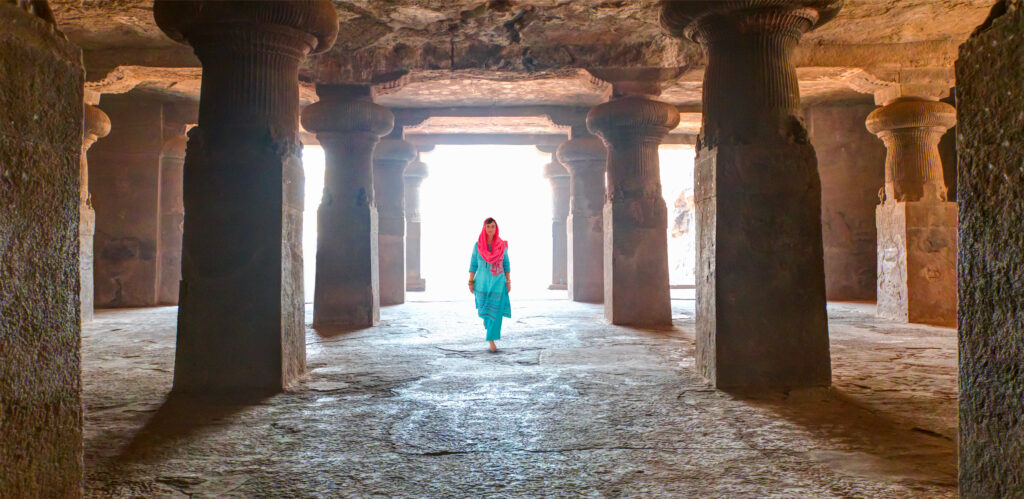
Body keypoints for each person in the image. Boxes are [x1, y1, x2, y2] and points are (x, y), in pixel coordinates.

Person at [468, 217, 511, 352]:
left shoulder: (501, 245)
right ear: (484, 228)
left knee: (496, 311)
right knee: (485, 310)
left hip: (498, 282)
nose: (490, 229)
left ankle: (491, 339)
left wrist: (508, 281)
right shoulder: (478, 245)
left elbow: (506, 264)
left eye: (493, 226)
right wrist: (471, 281)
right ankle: (487, 319)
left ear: (496, 228)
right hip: (481, 283)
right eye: (488, 227)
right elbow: (473, 264)